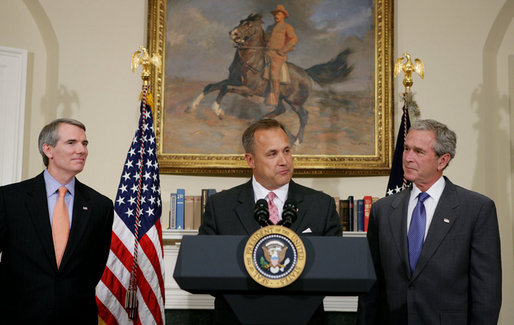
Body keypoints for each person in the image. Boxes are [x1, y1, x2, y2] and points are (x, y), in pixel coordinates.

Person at [357, 119, 502, 325]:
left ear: (442, 161)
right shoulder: (383, 210)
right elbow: (371, 286)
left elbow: (487, 292)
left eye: (418, 151)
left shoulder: (476, 209)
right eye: (406, 149)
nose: (407, 158)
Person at [199, 118, 341, 324]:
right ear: (250, 160)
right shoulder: (220, 206)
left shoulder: (321, 205)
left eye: (287, 151)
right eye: (272, 154)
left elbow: (335, 268)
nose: (284, 161)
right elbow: (206, 268)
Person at [0, 118, 114, 325]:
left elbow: (95, 267)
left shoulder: (100, 206)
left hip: (76, 316)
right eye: (71, 143)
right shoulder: (9, 199)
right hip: (18, 315)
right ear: (48, 150)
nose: (82, 150)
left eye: (85, 143)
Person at [264, 4, 298, 108]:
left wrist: (283, 50)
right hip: (266, 53)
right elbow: (265, 40)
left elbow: (294, 39)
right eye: (275, 14)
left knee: (274, 73)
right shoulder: (270, 28)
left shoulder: (287, 27)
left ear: (283, 16)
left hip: (278, 55)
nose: (276, 16)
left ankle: (274, 98)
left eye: (279, 14)